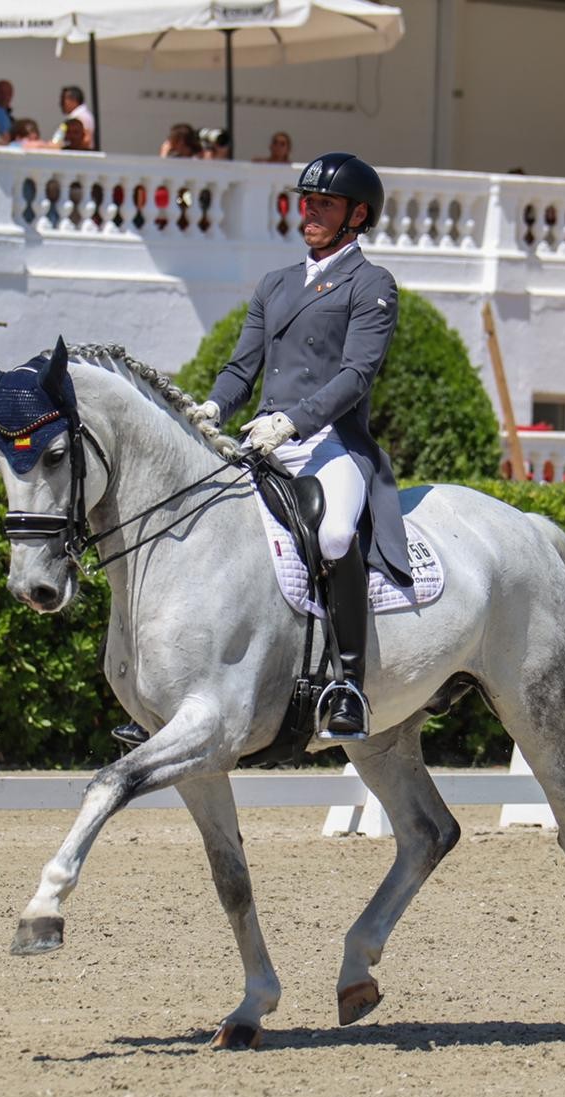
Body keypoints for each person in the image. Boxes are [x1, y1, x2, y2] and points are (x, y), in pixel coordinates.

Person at [191, 152, 411, 741]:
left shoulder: (372, 285)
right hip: (262, 438)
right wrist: (213, 407)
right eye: (306, 200)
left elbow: (355, 376)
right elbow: (242, 368)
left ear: (357, 215)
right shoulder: (276, 283)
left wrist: (292, 423)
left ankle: (348, 684)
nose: (309, 211)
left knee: (336, 534)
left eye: (325, 204)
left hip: (330, 443)